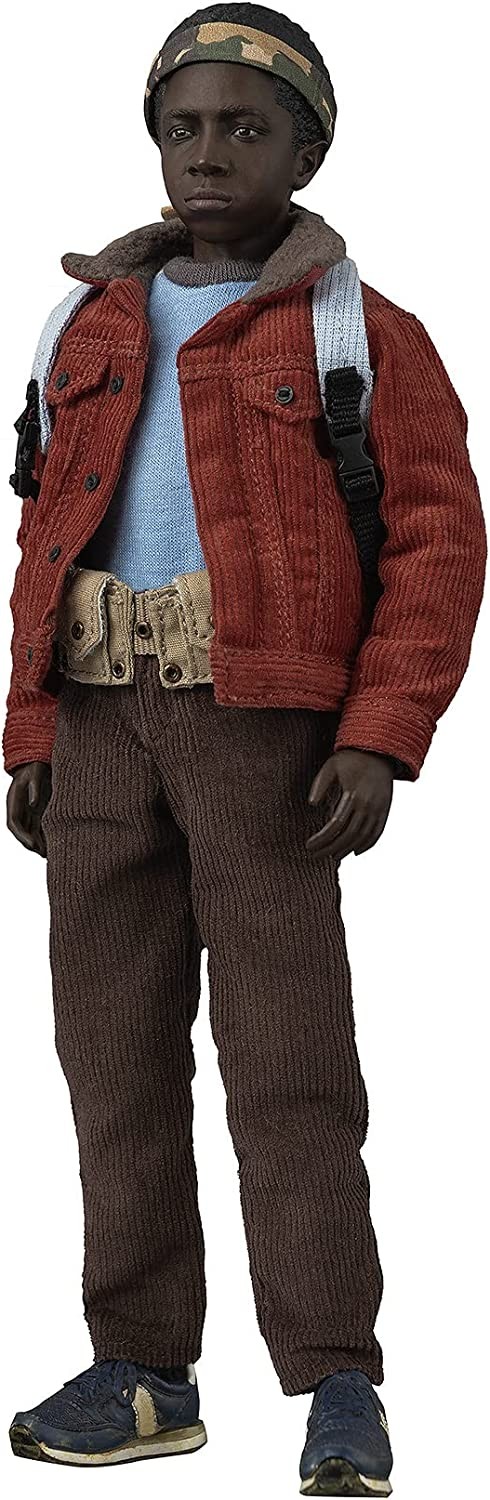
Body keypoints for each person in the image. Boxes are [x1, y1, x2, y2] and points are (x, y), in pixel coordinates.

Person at [4, 4, 486, 1492]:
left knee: (290, 1064)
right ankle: (144, 1366)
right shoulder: (83, 323)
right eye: (184, 127)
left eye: (245, 128)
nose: (208, 153)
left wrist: (380, 734)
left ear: (306, 151)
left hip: (259, 730)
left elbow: (437, 543)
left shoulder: (360, 334)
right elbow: (43, 533)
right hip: (99, 724)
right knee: (113, 1062)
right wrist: (31, 725)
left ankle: (337, 1376)